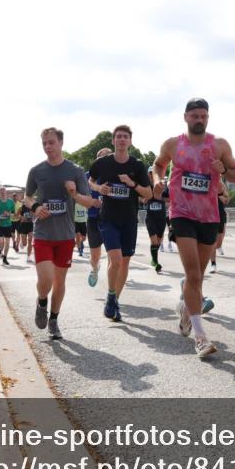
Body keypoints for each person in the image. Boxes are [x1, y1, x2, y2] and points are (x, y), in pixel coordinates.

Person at [152, 98, 235, 357]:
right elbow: (158, 165)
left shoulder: (219, 145)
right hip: (181, 214)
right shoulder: (172, 144)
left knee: (197, 278)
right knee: (192, 275)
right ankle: (201, 338)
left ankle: (185, 310)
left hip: (209, 216)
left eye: (203, 116)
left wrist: (223, 169)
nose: (199, 120)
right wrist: (158, 180)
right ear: (185, 117)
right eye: (195, 116)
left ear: (208, 118)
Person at [26, 127, 100, 340]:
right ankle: (42, 302)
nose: (48, 147)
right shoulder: (36, 171)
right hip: (42, 234)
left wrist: (73, 193)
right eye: (44, 143)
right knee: (46, 278)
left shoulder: (75, 171)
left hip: (65, 235)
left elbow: (89, 202)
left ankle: (54, 321)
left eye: (51, 142)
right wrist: (35, 207)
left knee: (59, 282)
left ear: (61, 143)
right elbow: (27, 197)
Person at [89, 126, 152, 322]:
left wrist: (132, 184)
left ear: (130, 141)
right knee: (115, 259)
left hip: (129, 219)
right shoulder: (103, 163)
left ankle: (114, 299)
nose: (122, 140)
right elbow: (90, 181)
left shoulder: (138, 165)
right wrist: (99, 188)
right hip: (108, 218)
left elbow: (148, 194)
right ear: (113, 141)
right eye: (119, 137)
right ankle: (110, 294)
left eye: (125, 137)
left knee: (125, 261)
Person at [85, 148, 111, 286]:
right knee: (95, 256)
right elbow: (78, 196)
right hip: (93, 218)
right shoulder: (87, 176)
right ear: (96, 160)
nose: (106, 160)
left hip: (111, 219)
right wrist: (90, 201)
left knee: (114, 254)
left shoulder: (115, 175)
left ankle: (112, 289)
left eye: (109, 157)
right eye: (102, 158)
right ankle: (95, 269)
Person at [143, 165, 168, 273]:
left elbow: (170, 199)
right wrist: (144, 199)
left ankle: (154, 258)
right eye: (150, 173)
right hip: (151, 218)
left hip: (161, 218)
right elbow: (139, 197)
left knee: (158, 241)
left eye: (153, 173)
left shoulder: (163, 186)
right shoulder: (146, 185)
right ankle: (156, 262)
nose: (151, 175)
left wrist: (161, 198)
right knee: (154, 241)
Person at [0, 187, 15, 266]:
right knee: (1, 241)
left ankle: (5, 258)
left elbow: (13, 213)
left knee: (7, 243)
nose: (2, 193)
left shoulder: (11, 202)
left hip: (8, 224)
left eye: (3, 191)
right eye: (0, 192)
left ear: (6, 193)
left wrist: (9, 214)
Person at [209, 187, 229, 274]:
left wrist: (223, 197)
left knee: (219, 242)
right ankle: (213, 264)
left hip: (220, 215)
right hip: (210, 215)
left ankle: (218, 247)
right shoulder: (207, 184)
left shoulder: (221, 187)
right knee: (212, 242)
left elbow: (227, 200)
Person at [16, 196, 35, 262]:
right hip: (23, 225)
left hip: (30, 225)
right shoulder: (21, 208)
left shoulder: (32, 207)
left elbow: (35, 214)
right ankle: (22, 242)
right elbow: (17, 215)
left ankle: (28, 257)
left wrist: (33, 216)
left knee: (30, 240)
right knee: (24, 244)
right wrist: (22, 217)